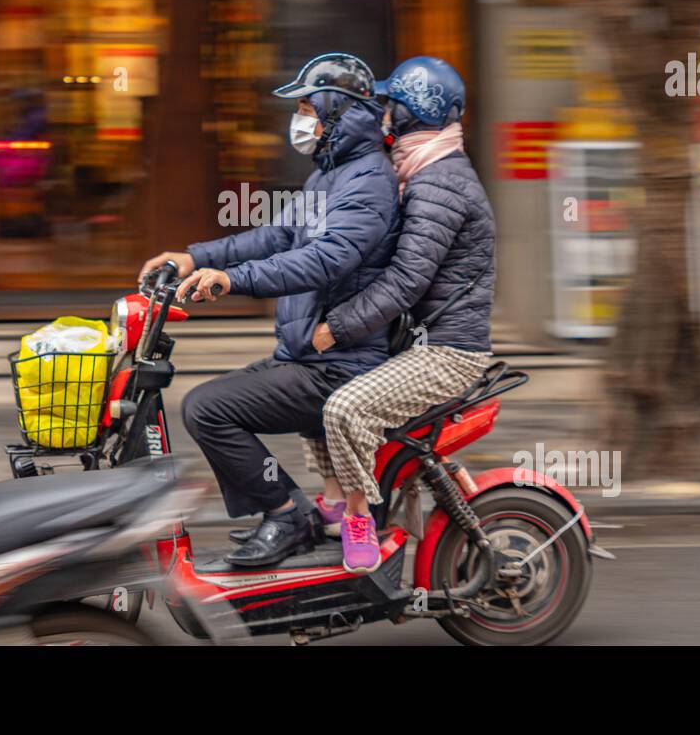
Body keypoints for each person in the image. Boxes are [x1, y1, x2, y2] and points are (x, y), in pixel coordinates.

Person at [139, 53, 399, 567]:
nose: (297, 119)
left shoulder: (367, 182)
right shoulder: (330, 175)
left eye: (306, 106)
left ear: (336, 111)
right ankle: (285, 512)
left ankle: (285, 514)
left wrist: (233, 280)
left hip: (339, 365)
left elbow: (326, 259)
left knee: (208, 408)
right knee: (210, 404)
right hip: (304, 353)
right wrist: (197, 256)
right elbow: (279, 235)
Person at [306, 56, 496, 573]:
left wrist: (335, 328)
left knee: (346, 408)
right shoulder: (416, 169)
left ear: (414, 113)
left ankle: (359, 516)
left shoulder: (439, 183)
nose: (383, 114)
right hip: (418, 341)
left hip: (448, 353)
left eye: (392, 106)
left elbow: (406, 281)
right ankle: (330, 499)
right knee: (309, 377)